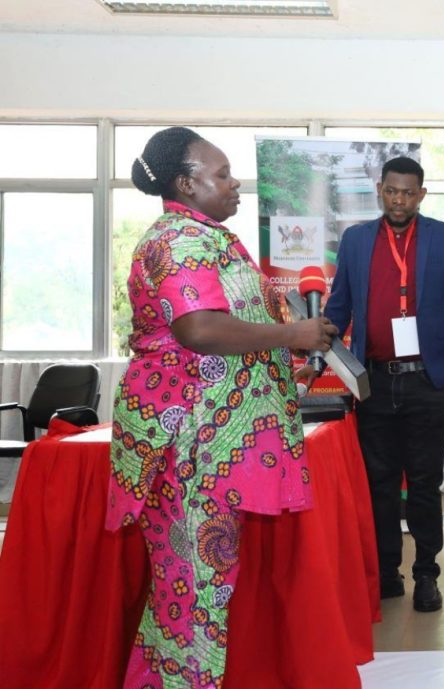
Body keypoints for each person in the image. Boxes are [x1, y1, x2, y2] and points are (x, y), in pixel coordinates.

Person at [106, 127, 338, 689]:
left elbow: (240, 332)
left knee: (201, 584)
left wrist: (293, 355)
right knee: (194, 587)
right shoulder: (179, 242)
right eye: (223, 174)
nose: (236, 185)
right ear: (186, 183)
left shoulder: (210, 238)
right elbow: (199, 328)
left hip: (213, 447)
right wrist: (291, 337)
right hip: (185, 444)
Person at [325, 156, 444, 613]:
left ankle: (426, 574)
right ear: (380, 190)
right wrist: (317, 348)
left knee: (423, 484)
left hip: (427, 382)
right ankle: (388, 572)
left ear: (421, 194)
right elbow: (339, 309)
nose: (399, 199)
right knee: (378, 485)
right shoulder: (356, 240)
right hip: (373, 383)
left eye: (408, 192)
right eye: (391, 191)